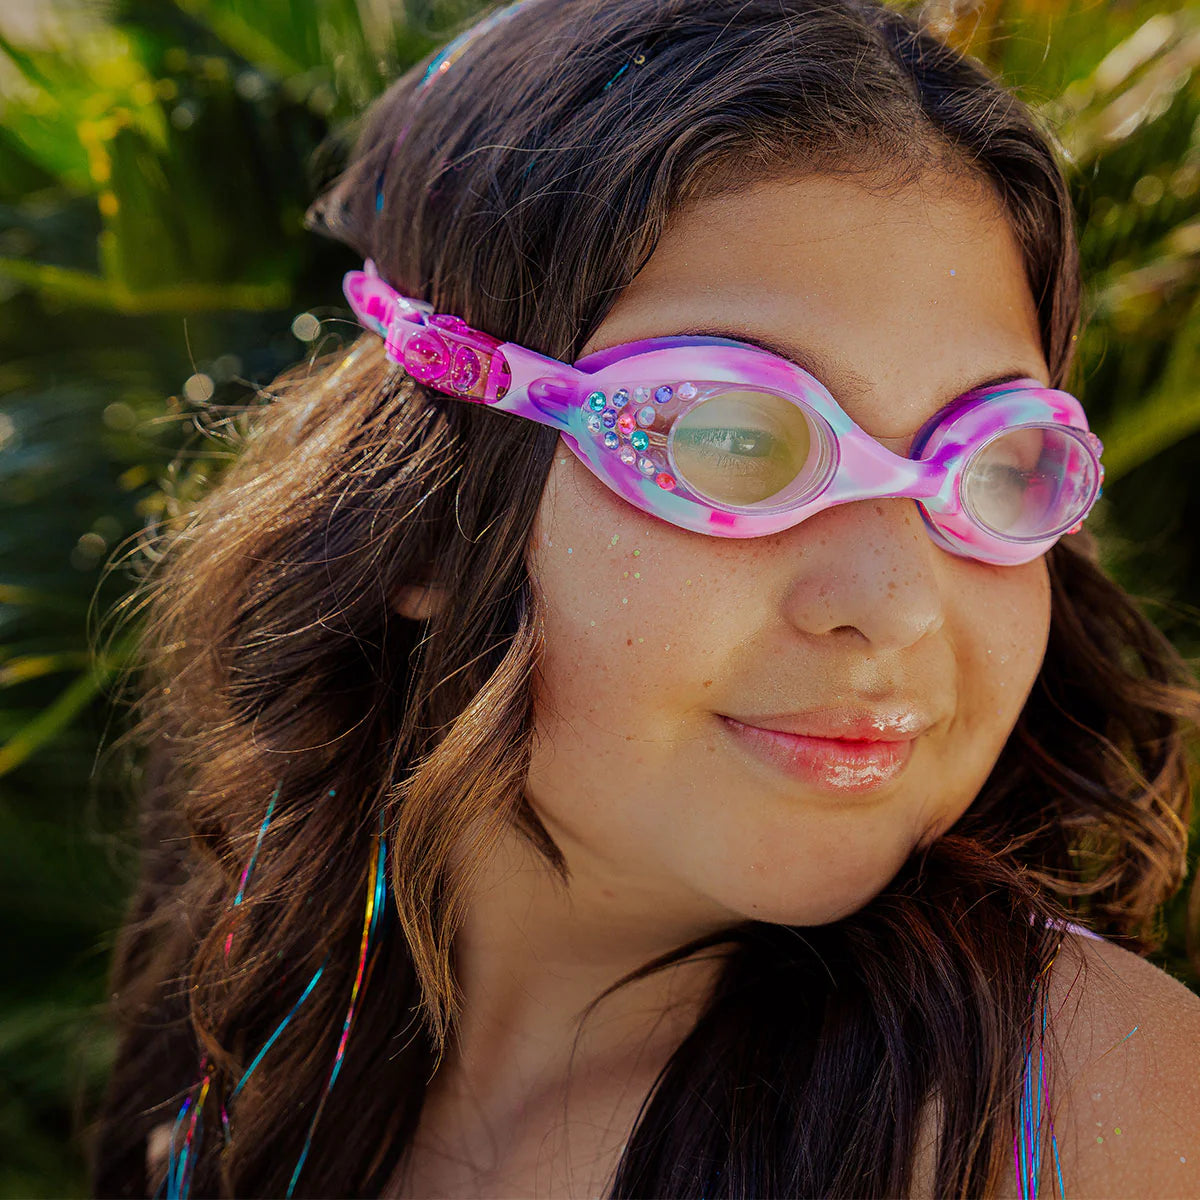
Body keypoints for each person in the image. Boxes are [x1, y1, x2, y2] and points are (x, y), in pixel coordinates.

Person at [85, 1, 1200, 1197]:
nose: (896, 604)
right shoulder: (245, 1057)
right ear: (424, 519)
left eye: (996, 463)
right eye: (729, 437)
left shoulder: (1086, 1111)